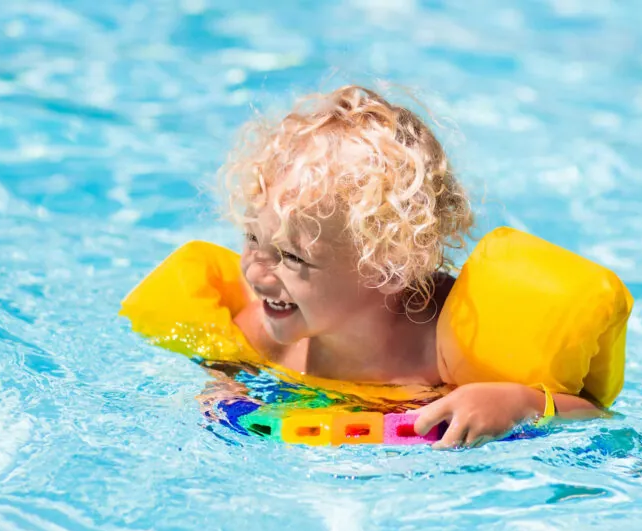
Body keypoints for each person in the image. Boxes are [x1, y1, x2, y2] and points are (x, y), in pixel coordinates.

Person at [219, 85, 600, 448]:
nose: (255, 273)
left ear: (388, 266)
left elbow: (598, 417)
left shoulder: (448, 354)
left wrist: (519, 405)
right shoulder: (262, 333)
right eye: (253, 239)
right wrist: (223, 388)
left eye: (293, 257)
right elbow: (222, 373)